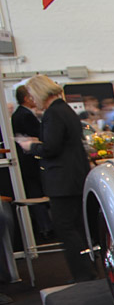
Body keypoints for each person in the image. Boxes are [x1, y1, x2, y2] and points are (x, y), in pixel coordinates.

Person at [17, 75, 95, 282]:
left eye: (33, 95)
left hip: (62, 181)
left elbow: (51, 148)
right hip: (75, 177)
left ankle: (82, 275)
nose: (32, 99)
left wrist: (31, 146)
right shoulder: (66, 110)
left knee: (65, 227)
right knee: (77, 227)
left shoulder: (53, 114)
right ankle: (88, 271)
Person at [10, 85, 51, 238]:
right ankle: (46, 227)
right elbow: (38, 135)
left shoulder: (20, 114)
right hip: (31, 163)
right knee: (37, 193)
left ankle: (45, 226)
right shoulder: (24, 116)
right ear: (27, 98)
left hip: (29, 162)